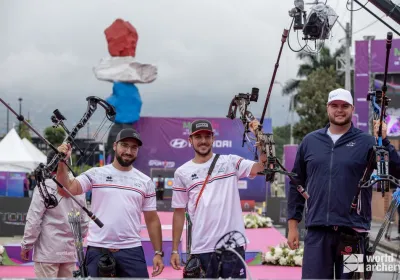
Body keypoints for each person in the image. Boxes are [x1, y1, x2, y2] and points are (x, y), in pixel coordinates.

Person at [287, 88, 400, 279]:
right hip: (317, 232)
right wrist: (292, 227)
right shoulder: (310, 141)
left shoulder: (367, 142)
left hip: (353, 233)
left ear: (352, 109)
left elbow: (396, 170)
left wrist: (384, 140)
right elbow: (295, 183)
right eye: (335, 106)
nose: (339, 110)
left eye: (344, 106)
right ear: (327, 109)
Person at [56, 128, 164, 278]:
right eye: (124, 145)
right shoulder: (96, 174)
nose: (128, 151)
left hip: (131, 250)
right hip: (98, 249)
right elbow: (65, 190)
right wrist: (62, 163)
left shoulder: (145, 181)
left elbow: (152, 220)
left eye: (134, 148)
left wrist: (158, 253)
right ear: (115, 146)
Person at [170, 119, 267, 278]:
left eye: (207, 136)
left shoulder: (230, 162)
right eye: (198, 137)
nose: (203, 141)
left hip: (232, 247)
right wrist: (174, 249)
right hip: (202, 248)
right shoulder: (182, 172)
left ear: (213, 139)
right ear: (190, 140)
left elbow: (262, 167)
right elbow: (179, 212)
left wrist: (261, 139)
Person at [20, 150, 89, 278]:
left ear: (48, 164)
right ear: (66, 163)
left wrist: (26, 245)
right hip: (69, 252)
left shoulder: (43, 187)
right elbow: (84, 224)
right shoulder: (78, 188)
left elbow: (34, 220)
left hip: (47, 254)